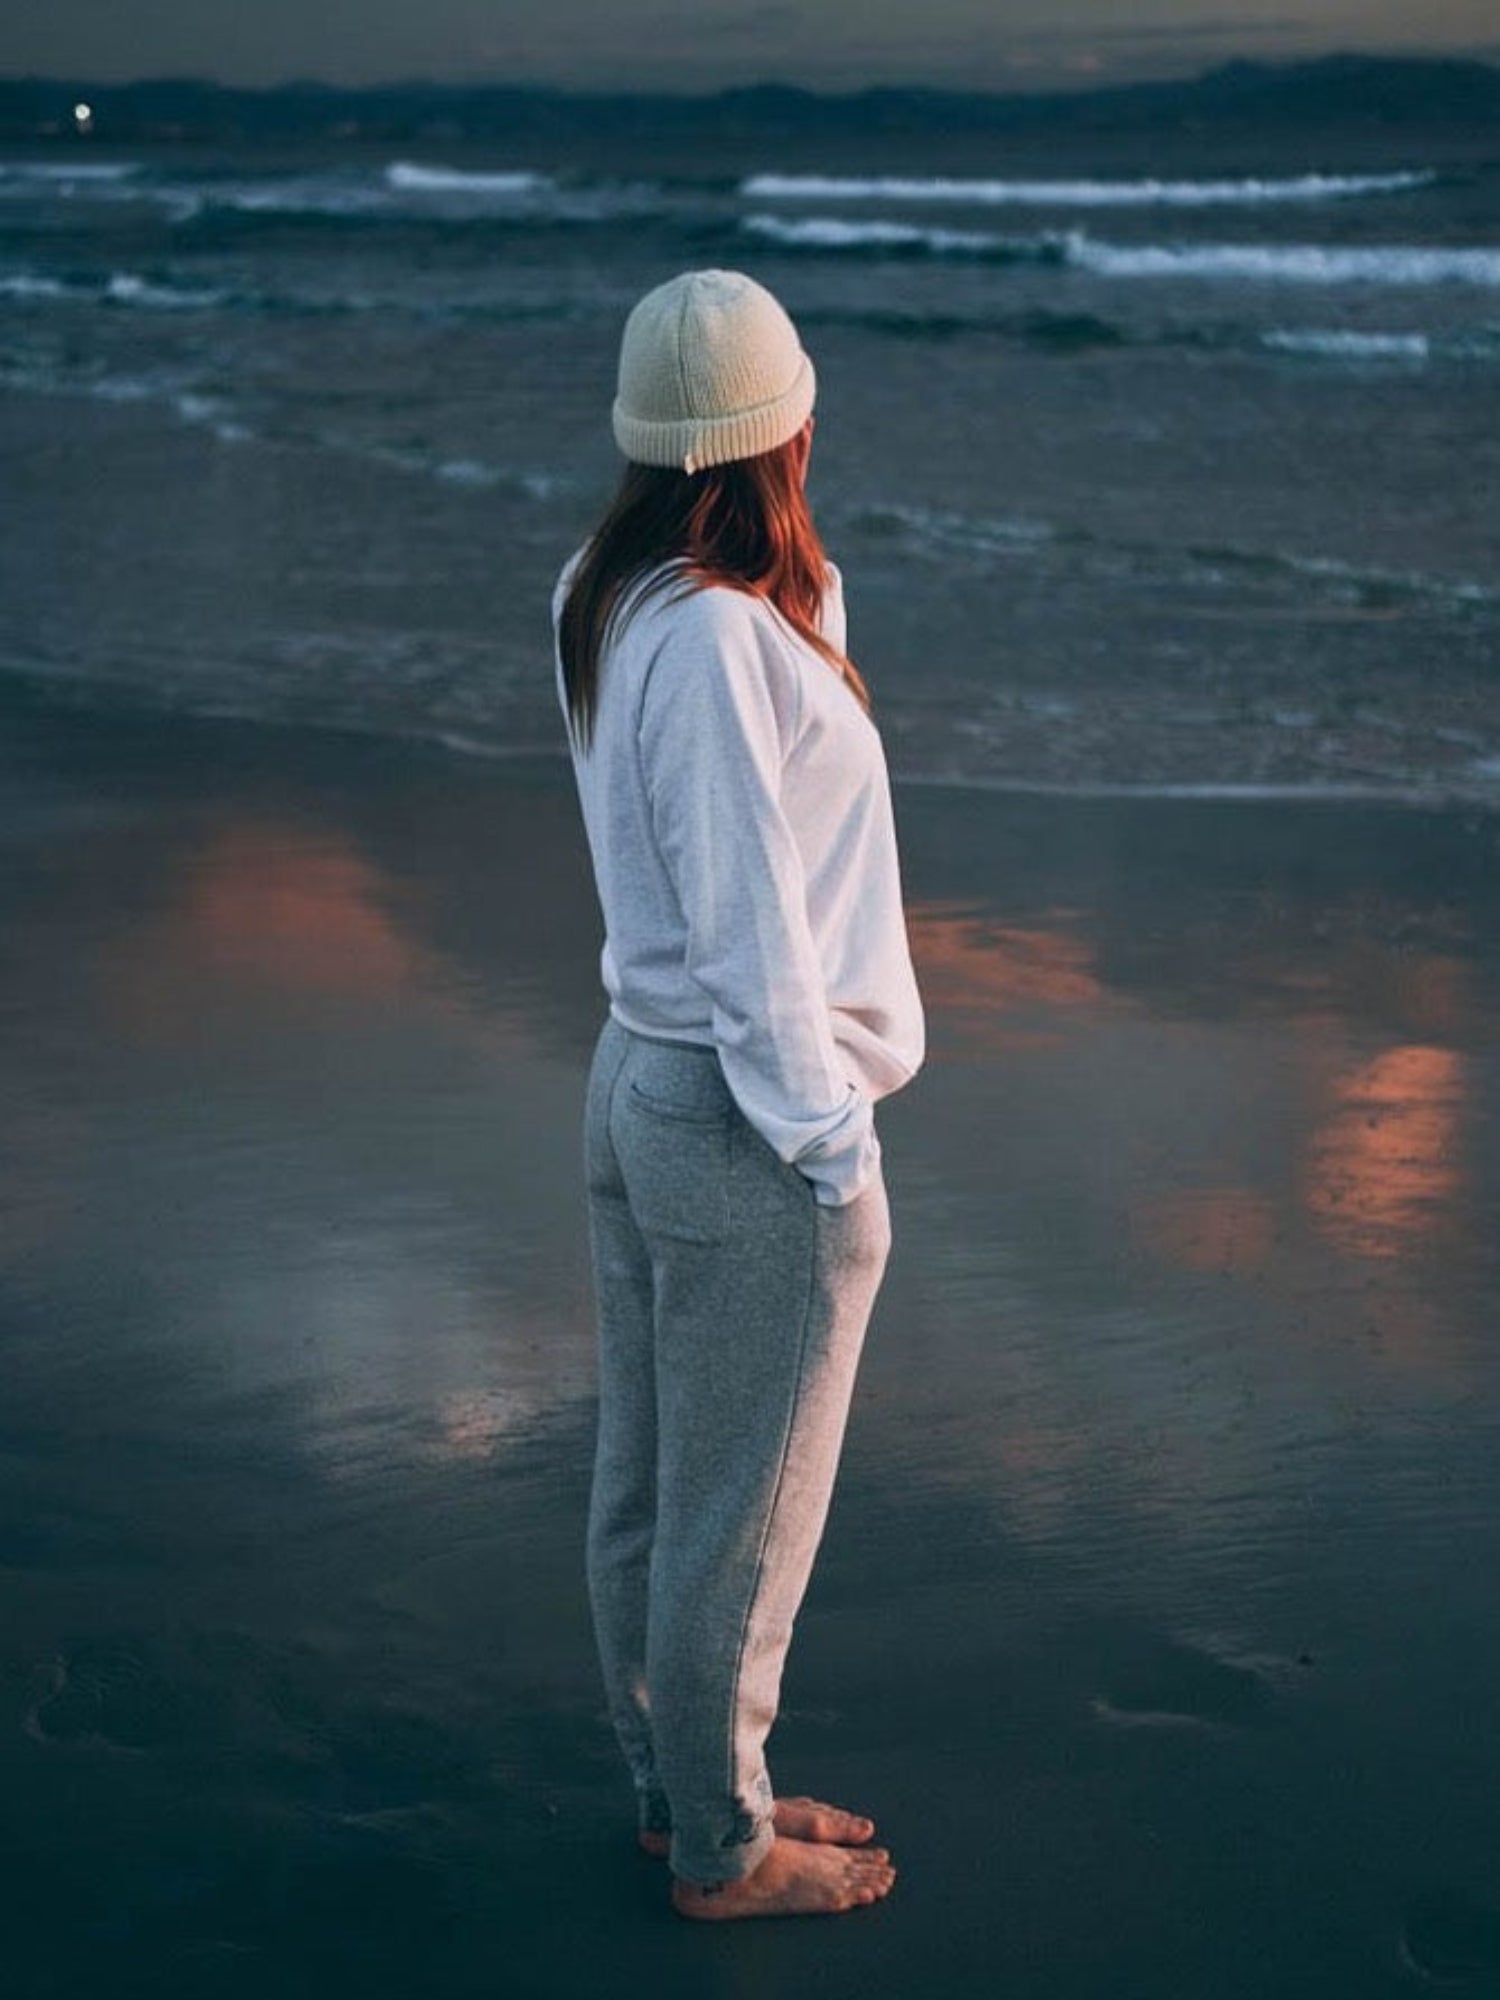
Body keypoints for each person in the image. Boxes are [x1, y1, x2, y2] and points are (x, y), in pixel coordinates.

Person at [553, 268, 924, 1920]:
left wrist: (801, 589)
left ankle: (685, 1794)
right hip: (737, 1111)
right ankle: (719, 1849)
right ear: (789, 422)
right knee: (735, 1526)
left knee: (655, 1492)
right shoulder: (709, 632)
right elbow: (753, 926)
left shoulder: (619, 586)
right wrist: (834, 1160)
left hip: (647, 1079)